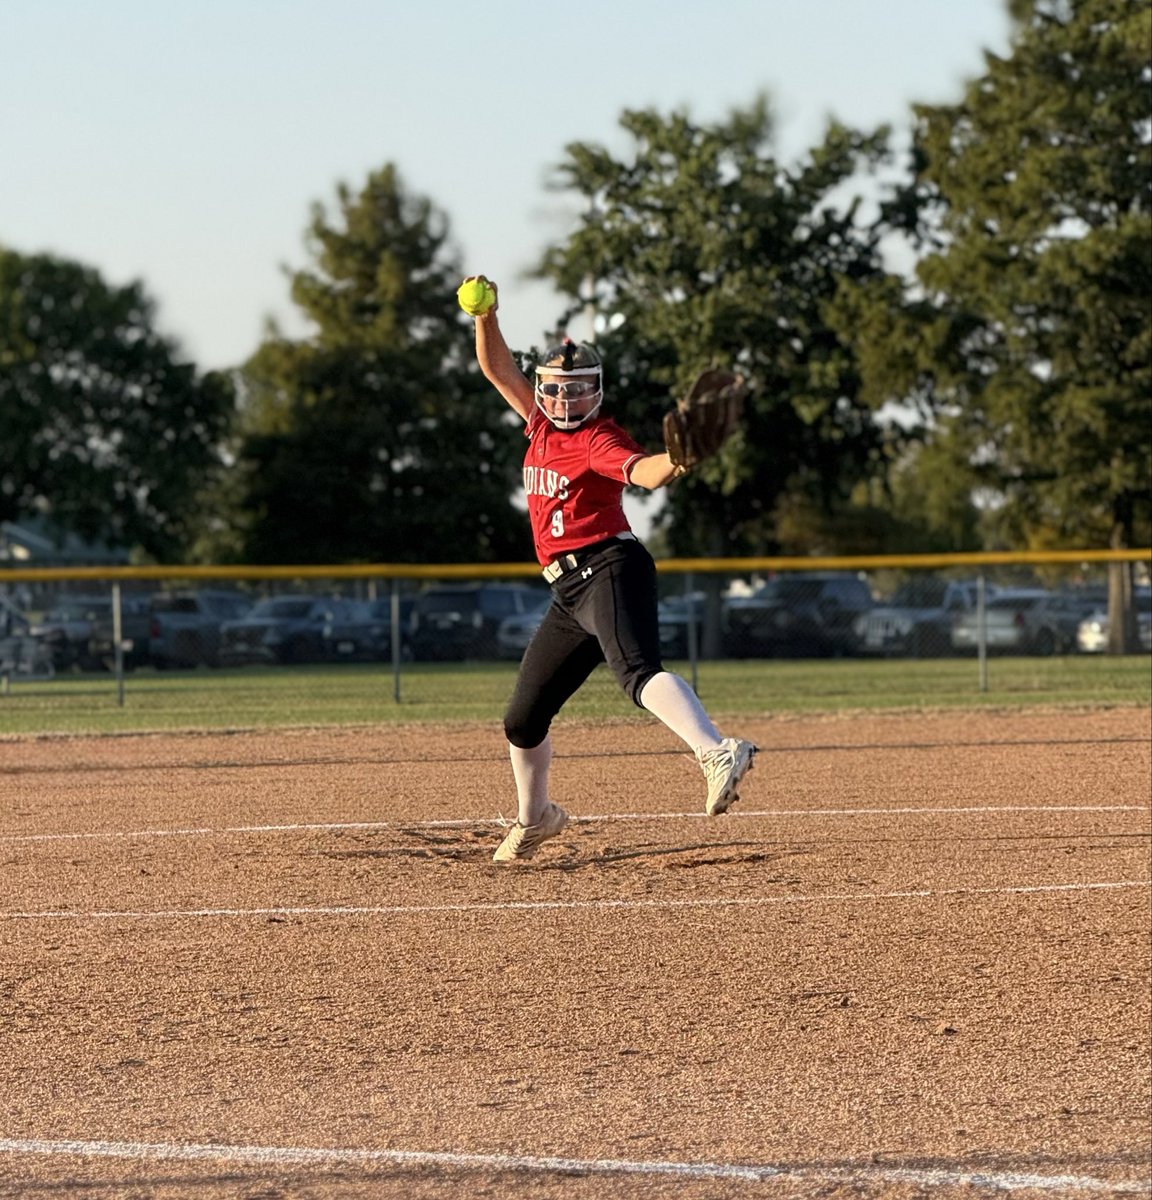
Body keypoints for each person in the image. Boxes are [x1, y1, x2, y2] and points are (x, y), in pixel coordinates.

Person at [465, 276, 756, 863]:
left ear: (596, 394)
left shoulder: (598, 437)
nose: (567, 400)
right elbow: (498, 370)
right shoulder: (539, 425)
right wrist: (486, 315)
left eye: (578, 391)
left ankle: (717, 750)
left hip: (610, 566)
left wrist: (676, 462)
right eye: (557, 389)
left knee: (637, 673)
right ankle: (538, 817)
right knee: (522, 718)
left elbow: (641, 472)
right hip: (567, 591)